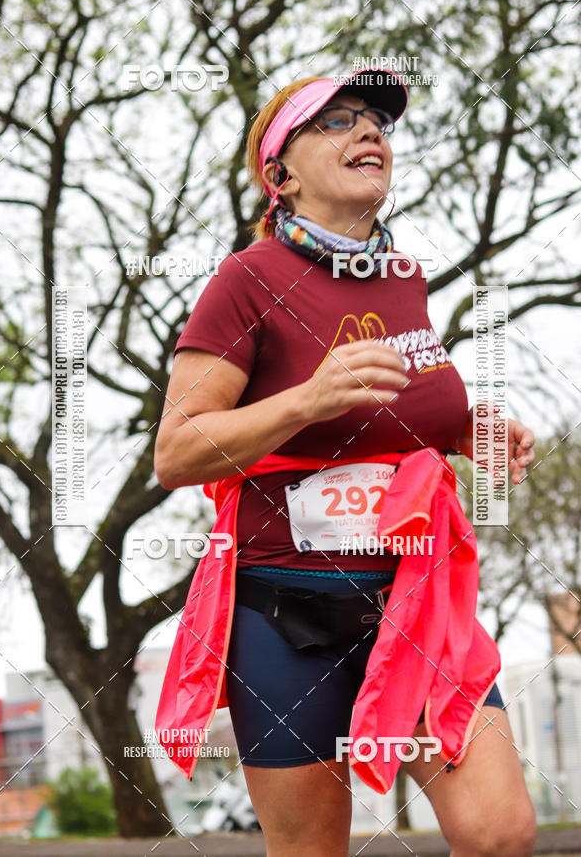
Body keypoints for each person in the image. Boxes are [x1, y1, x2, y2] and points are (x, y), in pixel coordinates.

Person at [154, 67, 537, 857]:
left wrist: (474, 432)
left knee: (500, 834)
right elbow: (177, 451)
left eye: (375, 120)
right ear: (280, 175)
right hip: (285, 610)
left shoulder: (404, 279)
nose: (368, 131)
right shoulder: (245, 280)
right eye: (335, 121)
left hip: (418, 600)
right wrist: (305, 401)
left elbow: (399, 413)